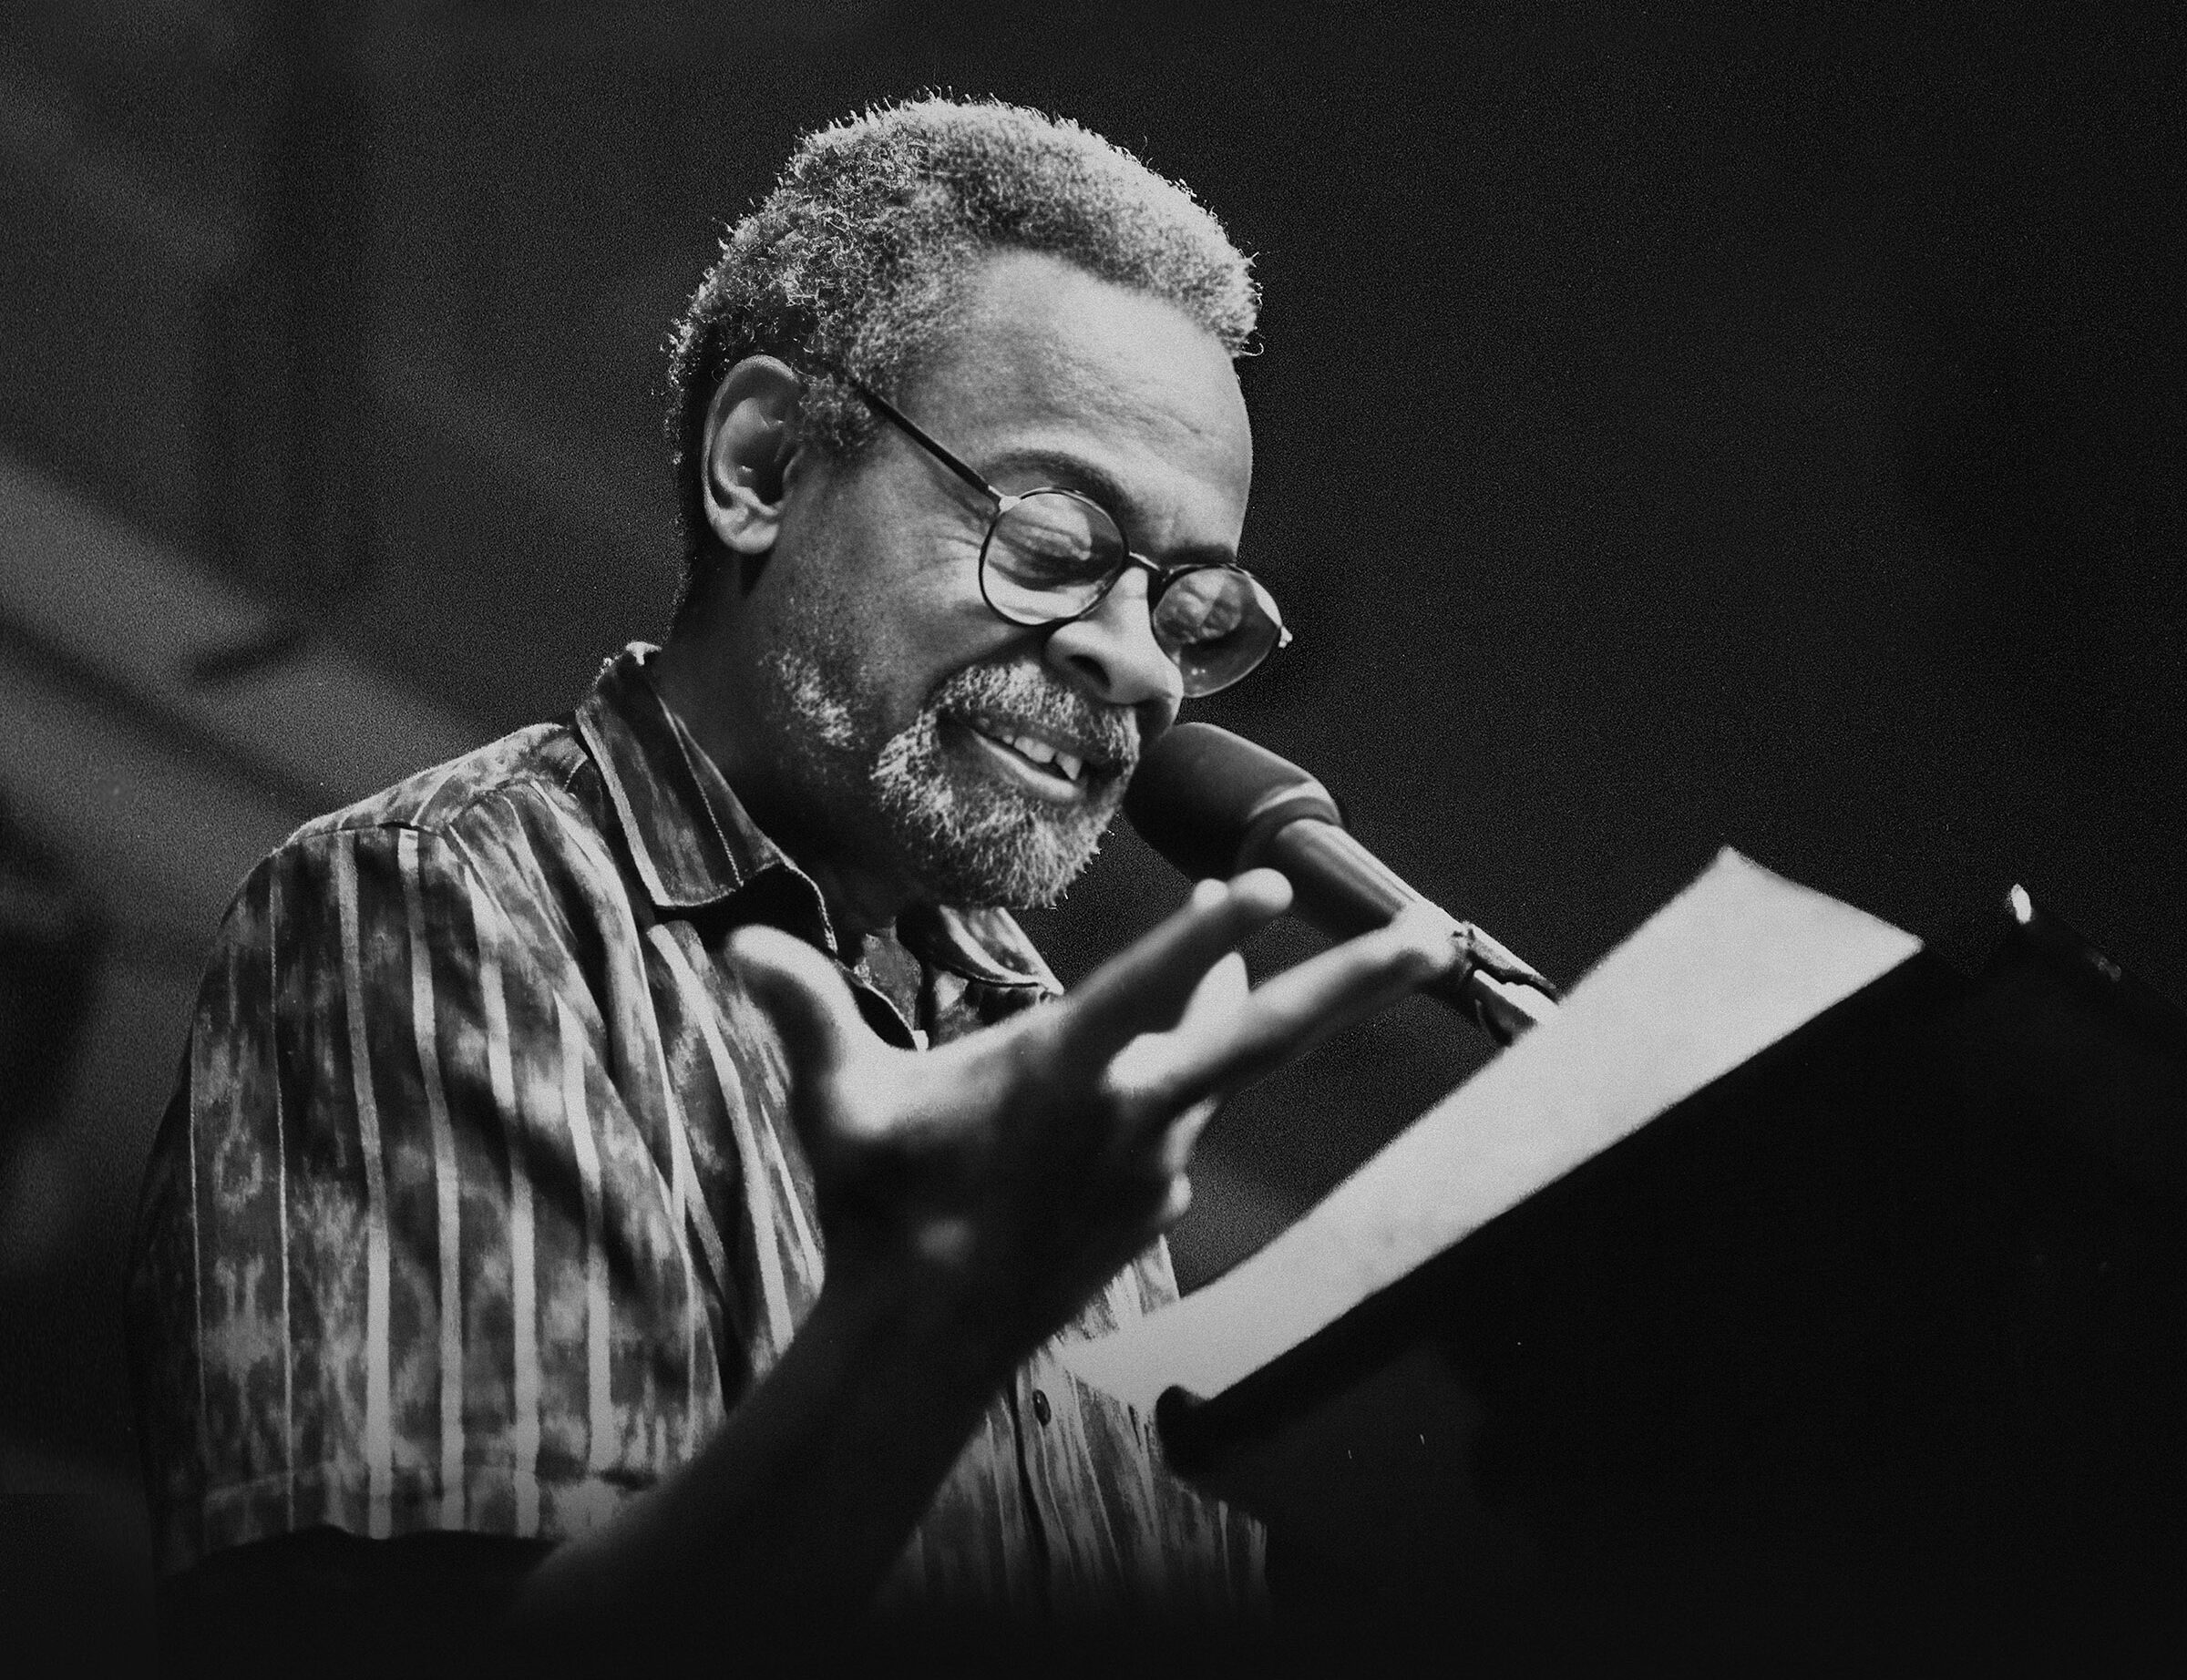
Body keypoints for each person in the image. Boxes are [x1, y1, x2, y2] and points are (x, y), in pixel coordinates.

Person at [126, 97, 1453, 1669]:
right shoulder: (435, 909)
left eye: (1191, 606)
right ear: (760, 464)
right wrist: (931, 1330)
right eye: (1053, 537)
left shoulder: (1048, 1061)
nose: (1133, 664)